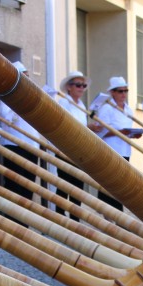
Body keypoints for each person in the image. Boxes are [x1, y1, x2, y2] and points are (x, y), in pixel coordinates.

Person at [56, 70, 99, 217]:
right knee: (64, 184)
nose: (81, 88)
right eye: (78, 85)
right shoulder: (63, 102)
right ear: (69, 87)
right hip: (66, 148)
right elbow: (66, 124)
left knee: (78, 185)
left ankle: (75, 217)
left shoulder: (81, 105)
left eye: (83, 85)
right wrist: (87, 128)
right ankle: (60, 216)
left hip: (79, 149)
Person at [0, 60, 39, 202]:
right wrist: (20, 100)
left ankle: (24, 224)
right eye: (24, 77)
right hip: (14, 146)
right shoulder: (6, 95)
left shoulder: (31, 95)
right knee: (15, 188)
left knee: (28, 188)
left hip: (31, 146)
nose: (27, 81)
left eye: (28, 77)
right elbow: (6, 118)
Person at [93, 76, 136, 211]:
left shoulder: (129, 110)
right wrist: (120, 132)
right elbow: (100, 133)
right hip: (111, 149)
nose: (123, 94)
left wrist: (132, 134)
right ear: (112, 92)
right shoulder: (107, 109)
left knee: (121, 184)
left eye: (125, 91)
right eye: (120, 91)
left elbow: (126, 130)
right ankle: (112, 213)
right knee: (111, 183)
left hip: (124, 150)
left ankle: (117, 213)